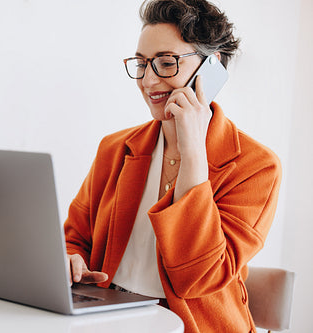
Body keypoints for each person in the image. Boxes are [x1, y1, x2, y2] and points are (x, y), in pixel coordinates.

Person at [63, 0, 281, 332]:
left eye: (166, 63)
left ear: (213, 67)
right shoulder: (114, 149)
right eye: (141, 64)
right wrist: (70, 259)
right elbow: (74, 238)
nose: (148, 81)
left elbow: (196, 277)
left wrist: (192, 151)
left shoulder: (256, 167)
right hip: (108, 321)